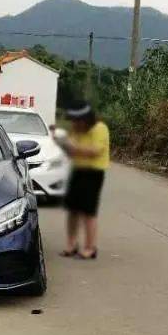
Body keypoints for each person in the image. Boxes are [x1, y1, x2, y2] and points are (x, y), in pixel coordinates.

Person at [56, 103, 110, 259]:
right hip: (78, 171)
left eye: (78, 120)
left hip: (93, 173)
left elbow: (95, 151)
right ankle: (71, 245)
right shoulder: (75, 129)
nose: (75, 124)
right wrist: (65, 145)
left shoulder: (99, 128)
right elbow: (71, 151)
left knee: (88, 211)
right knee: (72, 210)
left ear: (86, 119)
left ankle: (90, 248)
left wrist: (74, 146)